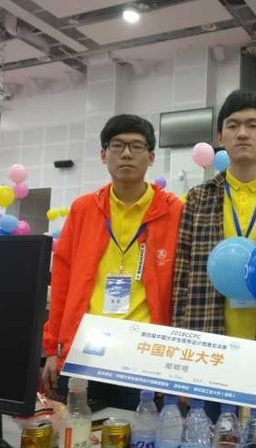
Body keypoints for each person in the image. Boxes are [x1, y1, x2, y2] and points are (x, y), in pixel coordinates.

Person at [172, 89, 256, 412]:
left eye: (252, 125)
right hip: (208, 345)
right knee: (209, 435)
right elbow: (181, 279)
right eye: (233, 126)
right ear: (220, 137)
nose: (243, 133)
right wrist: (180, 353)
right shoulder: (198, 198)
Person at [41, 114, 183, 409]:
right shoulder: (83, 209)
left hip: (145, 355)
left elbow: (185, 289)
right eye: (117, 145)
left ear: (151, 157)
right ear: (103, 155)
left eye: (136, 146)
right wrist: (52, 348)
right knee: (79, 433)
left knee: (140, 435)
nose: (127, 154)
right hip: (86, 351)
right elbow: (62, 281)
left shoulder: (174, 211)